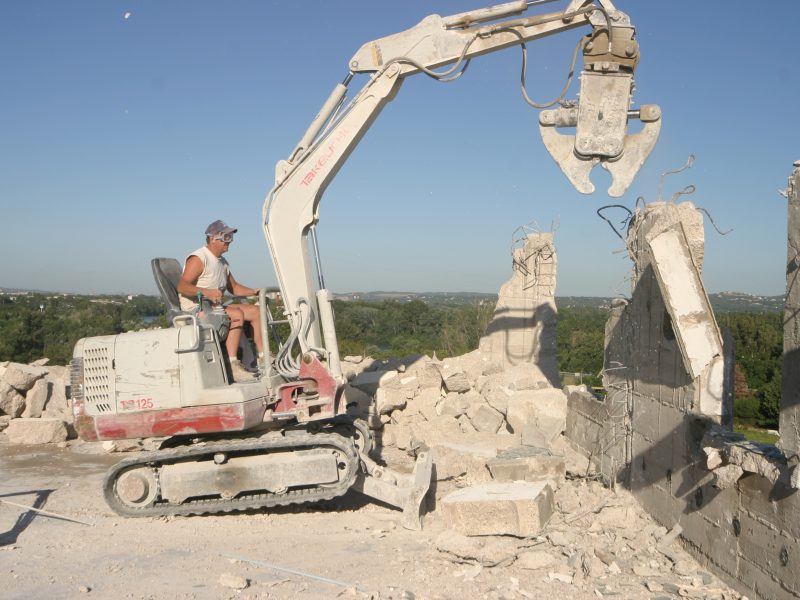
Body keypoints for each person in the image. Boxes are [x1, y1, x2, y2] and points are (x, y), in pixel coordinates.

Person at [177, 219, 263, 382]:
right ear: (213, 238)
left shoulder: (223, 263)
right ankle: (233, 365)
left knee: (256, 311)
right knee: (236, 314)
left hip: (215, 307)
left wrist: (254, 292)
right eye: (226, 237)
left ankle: (263, 357)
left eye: (231, 237)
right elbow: (182, 286)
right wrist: (207, 292)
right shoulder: (199, 258)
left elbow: (234, 288)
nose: (229, 242)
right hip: (197, 309)